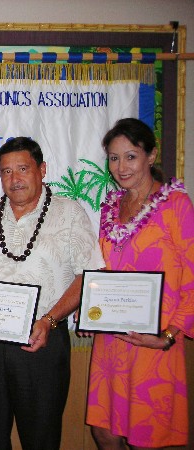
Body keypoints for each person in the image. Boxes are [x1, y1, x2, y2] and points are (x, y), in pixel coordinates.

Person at [0, 137, 105, 450]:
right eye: (6, 172)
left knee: (41, 438)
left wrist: (50, 320)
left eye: (23, 169)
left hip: (42, 341)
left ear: (42, 170)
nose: (15, 179)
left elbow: (89, 275)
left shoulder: (69, 214)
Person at [85, 118, 194, 449]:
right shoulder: (111, 206)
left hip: (153, 341)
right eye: (114, 158)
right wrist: (93, 312)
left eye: (130, 156)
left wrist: (169, 336)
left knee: (145, 438)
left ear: (151, 154)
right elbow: (102, 270)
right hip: (112, 339)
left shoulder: (176, 206)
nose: (121, 167)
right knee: (104, 431)